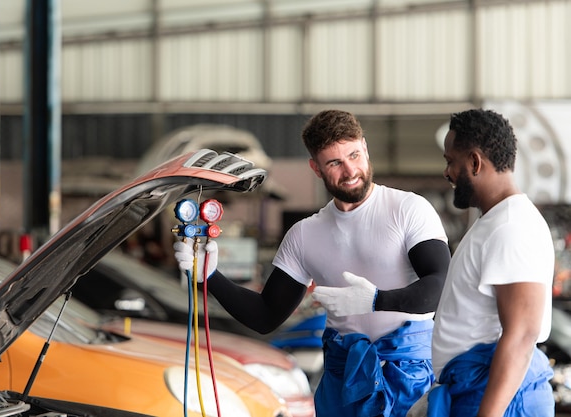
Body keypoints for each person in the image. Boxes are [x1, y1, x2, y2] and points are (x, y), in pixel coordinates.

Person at [174, 109, 451, 417]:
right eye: (335, 162)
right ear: (315, 168)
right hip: (343, 383)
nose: (350, 170)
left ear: (365, 148)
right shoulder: (305, 234)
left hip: (410, 378)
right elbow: (266, 315)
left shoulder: (408, 209)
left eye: (354, 155)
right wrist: (210, 276)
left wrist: (376, 300)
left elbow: (439, 284)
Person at [407, 109, 555, 417]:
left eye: (451, 161)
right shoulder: (495, 221)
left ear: (474, 162)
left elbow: (523, 333)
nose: (447, 172)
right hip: (474, 390)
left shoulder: (511, 226)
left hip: (499, 398)